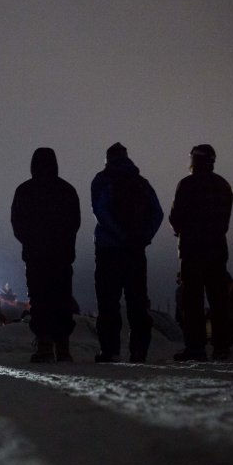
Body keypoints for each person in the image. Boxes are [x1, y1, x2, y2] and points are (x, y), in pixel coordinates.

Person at [91, 142, 163, 363]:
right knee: (138, 302)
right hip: (136, 251)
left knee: (108, 302)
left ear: (108, 159)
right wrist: (142, 238)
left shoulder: (101, 180)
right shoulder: (141, 182)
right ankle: (139, 350)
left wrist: (119, 236)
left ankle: (110, 351)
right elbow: (158, 213)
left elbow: (100, 210)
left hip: (108, 250)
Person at [11, 147, 81, 362]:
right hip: (61, 255)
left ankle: (44, 345)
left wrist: (31, 242)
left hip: (36, 256)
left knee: (39, 299)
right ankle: (62, 347)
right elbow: (74, 223)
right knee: (62, 298)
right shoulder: (66, 190)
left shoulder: (25, 190)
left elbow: (17, 223)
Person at [169, 144, 233, 361]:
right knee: (219, 298)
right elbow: (225, 221)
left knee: (192, 300)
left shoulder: (187, 184)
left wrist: (180, 230)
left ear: (194, 160)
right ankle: (222, 346)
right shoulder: (223, 185)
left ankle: (196, 347)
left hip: (192, 249)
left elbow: (176, 216)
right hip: (217, 247)